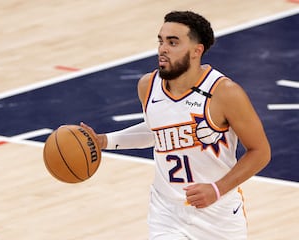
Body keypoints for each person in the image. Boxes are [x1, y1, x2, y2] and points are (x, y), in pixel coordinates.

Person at [81, 10, 271, 240]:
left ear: (196, 51)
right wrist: (105, 141)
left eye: (173, 42)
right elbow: (157, 131)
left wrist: (217, 188)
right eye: (161, 41)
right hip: (166, 211)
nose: (163, 49)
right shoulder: (148, 86)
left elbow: (260, 152)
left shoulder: (224, 93)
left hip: (218, 214)